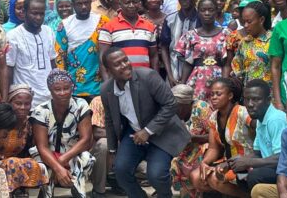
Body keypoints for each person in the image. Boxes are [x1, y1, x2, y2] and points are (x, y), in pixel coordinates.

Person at [100, 47, 189, 198]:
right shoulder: (106, 90)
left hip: (162, 132)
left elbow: (171, 104)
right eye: (117, 64)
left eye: (125, 60)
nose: (124, 65)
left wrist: (147, 131)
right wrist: (113, 150)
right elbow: (109, 120)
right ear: (108, 70)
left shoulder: (148, 76)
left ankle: (164, 195)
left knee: (156, 175)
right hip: (134, 134)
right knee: (120, 171)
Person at [32, 69, 95, 198]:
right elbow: (42, 147)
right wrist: (57, 167)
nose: (62, 93)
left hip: (71, 152)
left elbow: (85, 139)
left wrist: (61, 160)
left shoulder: (80, 105)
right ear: (50, 89)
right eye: (57, 89)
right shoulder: (41, 110)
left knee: (88, 159)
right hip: (47, 154)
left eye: (66, 88)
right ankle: (46, 193)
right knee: (42, 167)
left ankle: (78, 191)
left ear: (72, 87)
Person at [191, 77, 253, 198]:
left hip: (246, 163)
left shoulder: (242, 112)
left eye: (218, 94)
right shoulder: (214, 117)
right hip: (228, 162)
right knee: (196, 177)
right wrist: (204, 163)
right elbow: (213, 148)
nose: (214, 97)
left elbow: (259, 133)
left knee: (216, 178)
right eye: (212, 94)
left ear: (230, 96)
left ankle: (249, 195)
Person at [227, 79, 287, 193]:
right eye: (247, 99)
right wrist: (234, 162)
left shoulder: (275, 120)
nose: (250, 104)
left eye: (256, 99)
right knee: (240, 172)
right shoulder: (261, 118)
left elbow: (282, 158)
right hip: (271, 166)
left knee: (255, 175)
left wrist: (248, 162)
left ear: (268, 100)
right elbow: (257, 153)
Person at [0, 85, 47, 196]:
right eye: (18, 103)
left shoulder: (29, 124)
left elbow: (33, 149)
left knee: (33, 164)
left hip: (14, 165)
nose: (23, 107)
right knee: (12, 163)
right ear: (9, 103)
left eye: (27, 104)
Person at [174, 0, 230, 101]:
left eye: (210, 10)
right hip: (197, 80)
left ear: (216, 11)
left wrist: (225, 84)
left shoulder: (226, 34)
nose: (207, 13)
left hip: (219, 78)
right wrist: (182, 84)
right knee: (197, 107)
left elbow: (227, 63)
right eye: (203, 10)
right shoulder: (190, 35)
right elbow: (188, 63)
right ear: (198, 12)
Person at [54, 0, 106, 98]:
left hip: (99, 88)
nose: (83, 6)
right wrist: (63, 85)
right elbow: (59, 57)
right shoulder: (64, 25)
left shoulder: (102, 22)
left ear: (91, 1)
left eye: (86, 2)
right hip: (74, 90)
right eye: (79, 3)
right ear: (73, 4)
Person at [6, 0, 57, 107]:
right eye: (34, 13)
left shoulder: (49, 32)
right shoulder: (13, 36)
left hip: (49, 97)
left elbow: (52, 63)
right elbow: (8, 69)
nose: (38, 17)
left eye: (41, 14)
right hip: (25, 101)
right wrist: (7, 99)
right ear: (24, 12)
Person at [98, 0, 158, 78]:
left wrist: (155, 78)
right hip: (120, 80)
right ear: (120, 4)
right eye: (127, 2)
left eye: (134, 2)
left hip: (145, 79)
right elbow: (102, 59)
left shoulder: (149, 26)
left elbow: (153, 56)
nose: (131, 5)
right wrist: (107, 82)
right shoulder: (108, 27)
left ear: (139, 3)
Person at [170, 84, 212, 198]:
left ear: (186, 103)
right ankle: (188, 194)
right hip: (187, 149)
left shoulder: (201, 108)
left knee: (190, 162)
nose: (174, 109)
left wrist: (194, 138)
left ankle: (199, 193)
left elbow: (216, 136)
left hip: (206, 147)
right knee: (176, 162)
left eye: (176, 106)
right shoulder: (173, 113)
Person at [226, 0, 272, 90]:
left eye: (249, 22)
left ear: (261, 20)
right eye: (244, 22)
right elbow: (237, 69)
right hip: (248, 93)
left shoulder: (273, 40)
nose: (246, 25)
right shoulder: (244, 42)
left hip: (270, 93)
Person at [159, 0, 200, 86]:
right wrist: (170, 75)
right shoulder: (170, 19)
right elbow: (164, 47)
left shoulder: (202, 19)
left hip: (197, 74)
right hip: (174, 73)